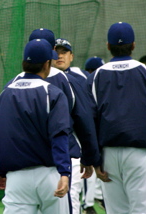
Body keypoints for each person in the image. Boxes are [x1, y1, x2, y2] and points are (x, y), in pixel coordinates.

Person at [87, 22, 146, 213]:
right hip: (139, 153)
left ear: (108, 46)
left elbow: (88, 121)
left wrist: (94, 159)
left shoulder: (95, 76)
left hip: (108, 154)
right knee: (142, 210)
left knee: (116, 211)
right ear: (134, 45)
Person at [0, 38, 81, 214]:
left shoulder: (5, 93)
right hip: (49, 176)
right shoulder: (53, 93)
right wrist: (64, 172)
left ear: (25, 62)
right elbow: (60, 134)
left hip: (17, 178)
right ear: (47, 64)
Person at [52, 37, 100, 214]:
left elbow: (88, 117)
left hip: (74, 148)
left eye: (63, 52)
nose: (59, 56)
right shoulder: (44, 78)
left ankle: (88, 204)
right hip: (47, 151)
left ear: (71, 56)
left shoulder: (81, 77)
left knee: (71, 197)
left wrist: (91, 154)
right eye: (56, 52)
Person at [81, 56, 105, 214]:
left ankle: (96, 196)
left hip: (99, 134)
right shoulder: (87, 84)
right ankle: (87, 204)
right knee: (88, 171)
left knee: (99, 170)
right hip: (87, 135)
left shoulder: (100, 85)